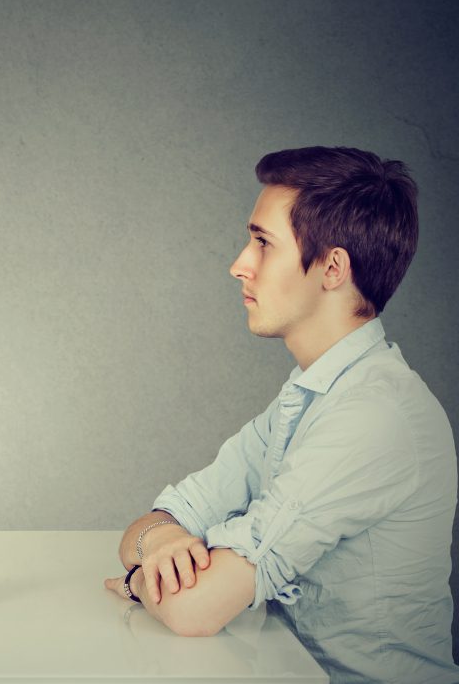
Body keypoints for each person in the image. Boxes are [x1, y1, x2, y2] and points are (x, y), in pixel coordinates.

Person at [105, 147, 458, 684]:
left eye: (264, 243)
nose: (239, 264)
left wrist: (138, 581)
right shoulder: (309, 395)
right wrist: (159, 543)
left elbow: (195, 609)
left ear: (332, 268)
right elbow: (162, 517)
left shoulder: (375, 416)